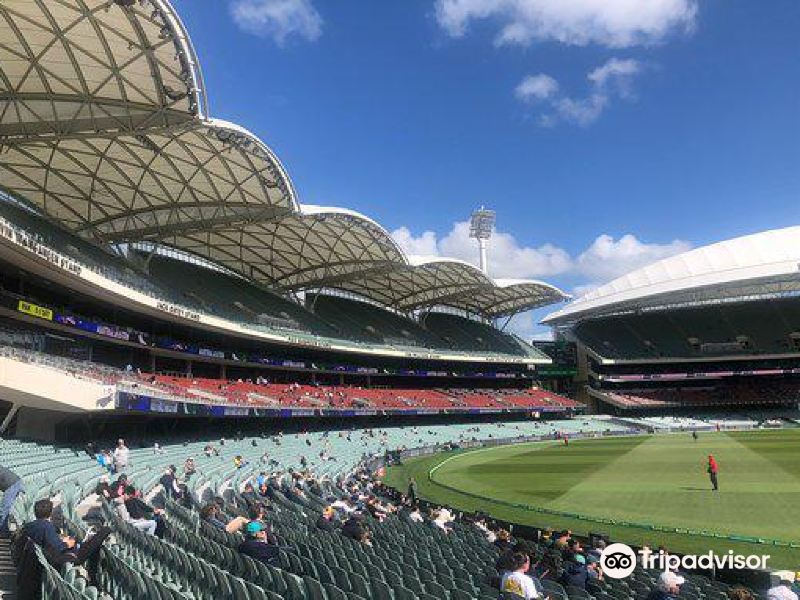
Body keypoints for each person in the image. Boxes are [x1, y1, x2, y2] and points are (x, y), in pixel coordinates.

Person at [23, 498, 111, 582]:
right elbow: (56, 547)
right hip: (64, 557)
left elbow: (49, 543)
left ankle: (93, 578)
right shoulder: (47, 526)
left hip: (54, 556)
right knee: (101, 535)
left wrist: (62, 540)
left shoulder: (29, 526)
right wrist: (67, 544)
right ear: (50, 513)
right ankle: (109, 528)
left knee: (91, 544)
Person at [0, 464, 23, 537]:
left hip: (12, 485)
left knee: (4, 510)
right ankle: (5, 530)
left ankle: (3, 532)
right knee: (5, 510)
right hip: (15, 483)